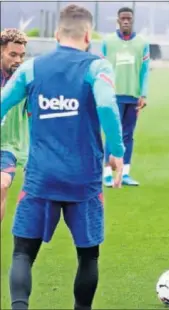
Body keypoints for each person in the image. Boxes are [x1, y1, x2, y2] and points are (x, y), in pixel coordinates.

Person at [0, 4, 125, 309]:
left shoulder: (32, 68)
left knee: (22, 253)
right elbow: (108, 107)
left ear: (56, 34)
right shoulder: (98, 67)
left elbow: (2, 102)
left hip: (41, 176)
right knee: (88, 255)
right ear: (87, 35)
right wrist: (117, 153)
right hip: (83, 180)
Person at [102, 6, 150, 187]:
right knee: (112, 133)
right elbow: (102, 69)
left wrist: (143, 93)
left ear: (133, 20)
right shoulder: (108, 42)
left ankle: (126, 173)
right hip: (113, 95)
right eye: (123, 18)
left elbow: (145, 71)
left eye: (129, 18)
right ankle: (107, 173)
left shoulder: (142, 43)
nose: (126, 21)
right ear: (117, 20)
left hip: (133, 97)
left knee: (128, 136)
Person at [0, 28, 29, 221]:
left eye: (22, 55)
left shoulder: (26, 81)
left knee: (2, 185)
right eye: (12, 54)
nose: (18, 60)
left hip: (8, 147)